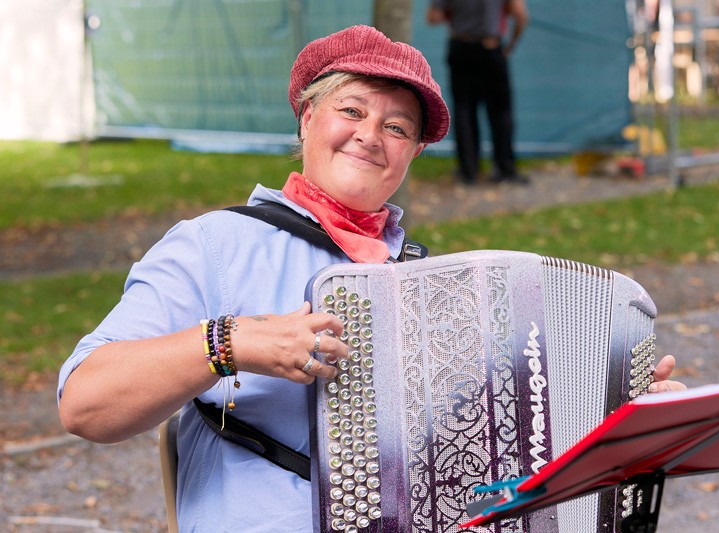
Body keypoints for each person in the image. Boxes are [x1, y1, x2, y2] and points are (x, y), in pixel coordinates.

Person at [57, 24, 685, 532]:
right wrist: (230, 343)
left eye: (397, 127)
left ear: (412, 153)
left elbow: (502, 450)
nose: (370, 136)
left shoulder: (433, 279)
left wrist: (613, 404)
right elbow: (85, 405)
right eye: (351, 109)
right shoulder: (217, 244)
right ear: (306, 120)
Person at [427, 0, 529, 185]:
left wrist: (457, 15)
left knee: (464, 109)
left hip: (460, 46)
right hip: (491, 47)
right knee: (500, 111)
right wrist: (511, 45)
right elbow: (521, 16)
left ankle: (468, 171)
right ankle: (504, 168)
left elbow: (434, 17)